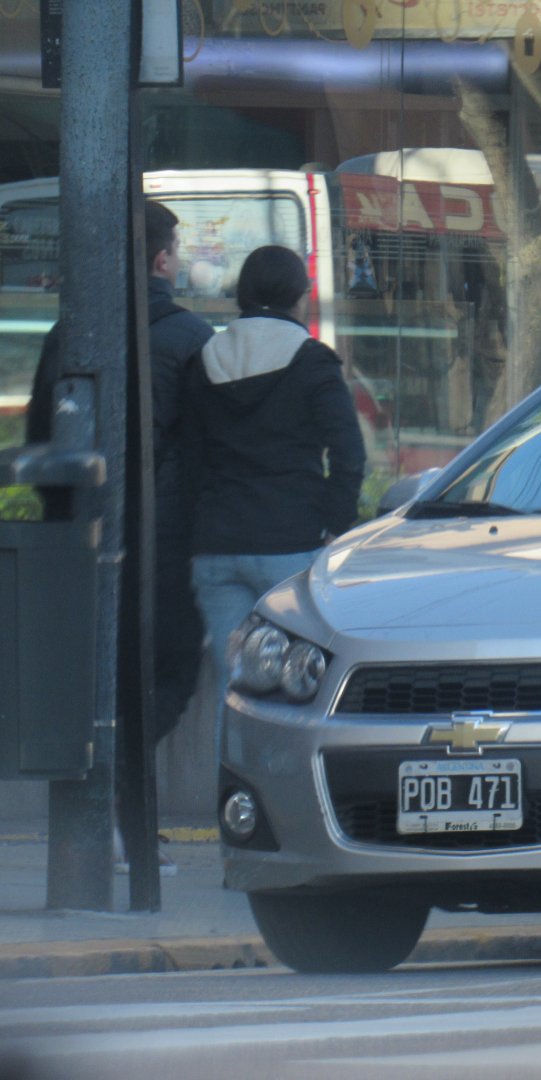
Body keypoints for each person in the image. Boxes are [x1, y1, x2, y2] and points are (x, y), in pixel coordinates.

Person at [27, 200, 213, 876]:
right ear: (162, 258)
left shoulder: (66, 332)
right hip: (164, 538)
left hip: (82, 531)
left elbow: (41, 438)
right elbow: (205, 448)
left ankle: (107, 812)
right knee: (164, 675)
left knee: (96, 681)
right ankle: (117, 811)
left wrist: (63, 521)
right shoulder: (193, 336)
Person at [183, 244, 365, 746]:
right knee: (296, 689)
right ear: (297, 297)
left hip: (216, 545)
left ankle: (232, 804)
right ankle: (279, 808)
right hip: (290, 544)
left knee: (233, 686)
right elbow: (349, 454)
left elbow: (189, 459)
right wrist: (332, 524)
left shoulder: (204, 362)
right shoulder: (312, 362)